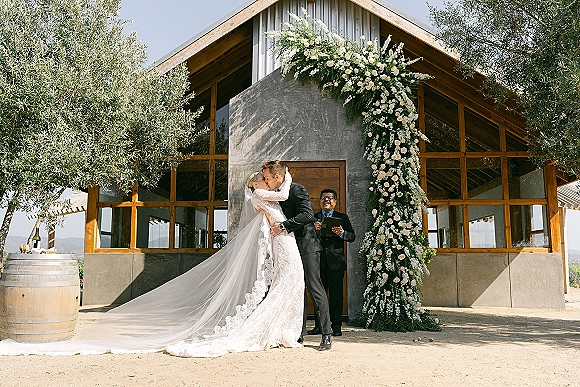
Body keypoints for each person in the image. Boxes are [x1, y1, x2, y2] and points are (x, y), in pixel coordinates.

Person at [0, 170, 304, 358]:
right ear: (258, 182)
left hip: (282, 235)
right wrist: (286, 174)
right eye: (263, 177)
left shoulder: (265, 194)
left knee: (291, 282)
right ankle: (280, 331)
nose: (266, 180)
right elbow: (285, 193)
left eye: (268, 176)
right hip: (281, 236)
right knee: (289, 281)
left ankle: (283, 330)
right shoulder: (262, 192)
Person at [262, 160, 332, 351]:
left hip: (307, 246)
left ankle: (327, 334)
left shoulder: (297, 189)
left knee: (314, 287)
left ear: (278, 177)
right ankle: (297, 334)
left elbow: (308, 215)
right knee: (296, 289)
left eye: (268, 178)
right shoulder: (275, 194)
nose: (266, 182)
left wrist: (283, 226)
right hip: (290, 248)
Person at [309, 189, 355, 337]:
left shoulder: (342, 218)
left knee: (336, 297)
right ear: (320, 201)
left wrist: (341, 233)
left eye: (329, 198)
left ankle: (336, 327)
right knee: (318, 296)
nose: (326, 200)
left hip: (336, 264)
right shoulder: (313, 218)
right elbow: (304, 238)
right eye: (323, 197)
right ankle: (319, 326)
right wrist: (312, 230)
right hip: (317, 263)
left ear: (335, 202)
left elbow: (352, 236)